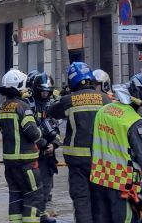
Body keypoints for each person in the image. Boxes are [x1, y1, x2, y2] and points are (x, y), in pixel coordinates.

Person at [89, 73, 142, 223]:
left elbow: (93, 144)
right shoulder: (133, 121)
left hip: (99, 180)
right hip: (123, 185)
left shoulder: (103, 111)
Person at [50, 61, 105, 223]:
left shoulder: (69, 100)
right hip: (101, 160)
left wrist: (61, 96)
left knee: (81, 200)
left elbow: (52, 111)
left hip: (78, 162)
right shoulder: (105, 99)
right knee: (99, 200)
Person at [0, 67, 46, 223]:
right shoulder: (22, 107)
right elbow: (32, 133)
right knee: (34, 194)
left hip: (9, 162)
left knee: (15, 195)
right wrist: (42, 135)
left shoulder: (2, 108)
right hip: (26, 162)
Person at [27, 71, 60, 223]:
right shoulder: (28, 104)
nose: (45, 94)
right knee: (33, 186)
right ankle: (35, 214)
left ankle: (41, 214)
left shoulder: (51, 106)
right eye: (43, 91)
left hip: (47, 153)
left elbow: (56, 131)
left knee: (46, 186)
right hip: (32, 152)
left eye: (48, 91)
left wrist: (54, 145)